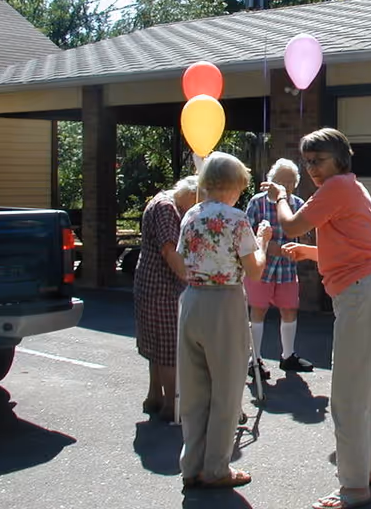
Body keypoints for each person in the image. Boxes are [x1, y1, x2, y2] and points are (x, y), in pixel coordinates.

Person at [263, 127, 371, 509]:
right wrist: (309, 254)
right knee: (363, 389)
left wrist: (282, 196)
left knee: (347, 395)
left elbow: (290, 224)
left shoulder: (337, 188)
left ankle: (353, 489)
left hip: (361, 293)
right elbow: (349, 247)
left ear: (339, 159)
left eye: (317, 161)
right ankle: (368, 472)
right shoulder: (352, 188)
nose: (312, 169)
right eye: (307, 163)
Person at [176, 152, 272, 490]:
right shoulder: (235, 218)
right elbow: (255, 270)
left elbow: (183, 257)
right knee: (227, 388)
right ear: (234, 185)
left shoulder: (190, 214)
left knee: (194, 388)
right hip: (224, 300)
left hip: (191, 300)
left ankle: (191, 463)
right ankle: (216, 468)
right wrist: (263, 240)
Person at [134, 175, 199, 423]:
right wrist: (190, 277)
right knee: (169, 348)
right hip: (162, 287)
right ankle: (172, 403)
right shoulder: (167, 208)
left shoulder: (162, 201)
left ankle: (155, 396)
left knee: (156, 346)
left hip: (151, 283)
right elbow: (170, 250)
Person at [244, 158, 314, 378]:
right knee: (258, 310)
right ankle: (253, 359)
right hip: (261, 267)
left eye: (292, 182)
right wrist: (266, 245)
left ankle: (288, 356)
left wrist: (298, 244)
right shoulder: (257, 202)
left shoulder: (298, 203)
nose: (287, 187)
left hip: (286, 268)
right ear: (271, 181)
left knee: (290, 309)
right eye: (282, 182)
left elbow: (307, 234)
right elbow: (244, 234)